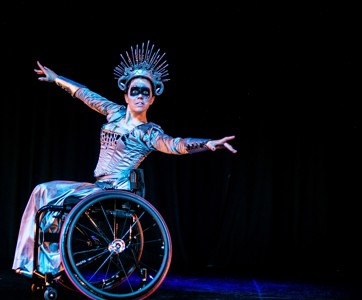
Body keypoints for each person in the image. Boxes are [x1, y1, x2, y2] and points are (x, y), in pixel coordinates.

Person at [12, 41, 237, 278]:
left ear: (152, 99)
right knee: (42, 192)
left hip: (117, 191)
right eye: (135, 91)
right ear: (126, 95)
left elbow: (175, 144)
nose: (140, 95)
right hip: (97, 188)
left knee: (51, 197)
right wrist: (56, 78)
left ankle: (48, 266)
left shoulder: (149, 132)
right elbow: (85, 94)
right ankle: (33, 263)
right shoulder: (114, 112)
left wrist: (207, 144)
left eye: (145, 92)